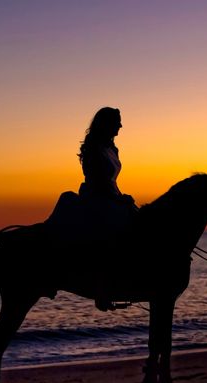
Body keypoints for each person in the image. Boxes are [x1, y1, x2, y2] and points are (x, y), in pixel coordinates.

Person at [77, 107, 137, 311]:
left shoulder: (112, 148)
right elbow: (99, 181)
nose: (121, 125)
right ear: (107, 123)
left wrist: (122, 197)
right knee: (113, 234)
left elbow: (111, 181)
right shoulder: (94, 148)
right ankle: (102, 288)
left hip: (112, 196)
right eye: (117, 121)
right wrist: (118, 200)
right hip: (97, 197)